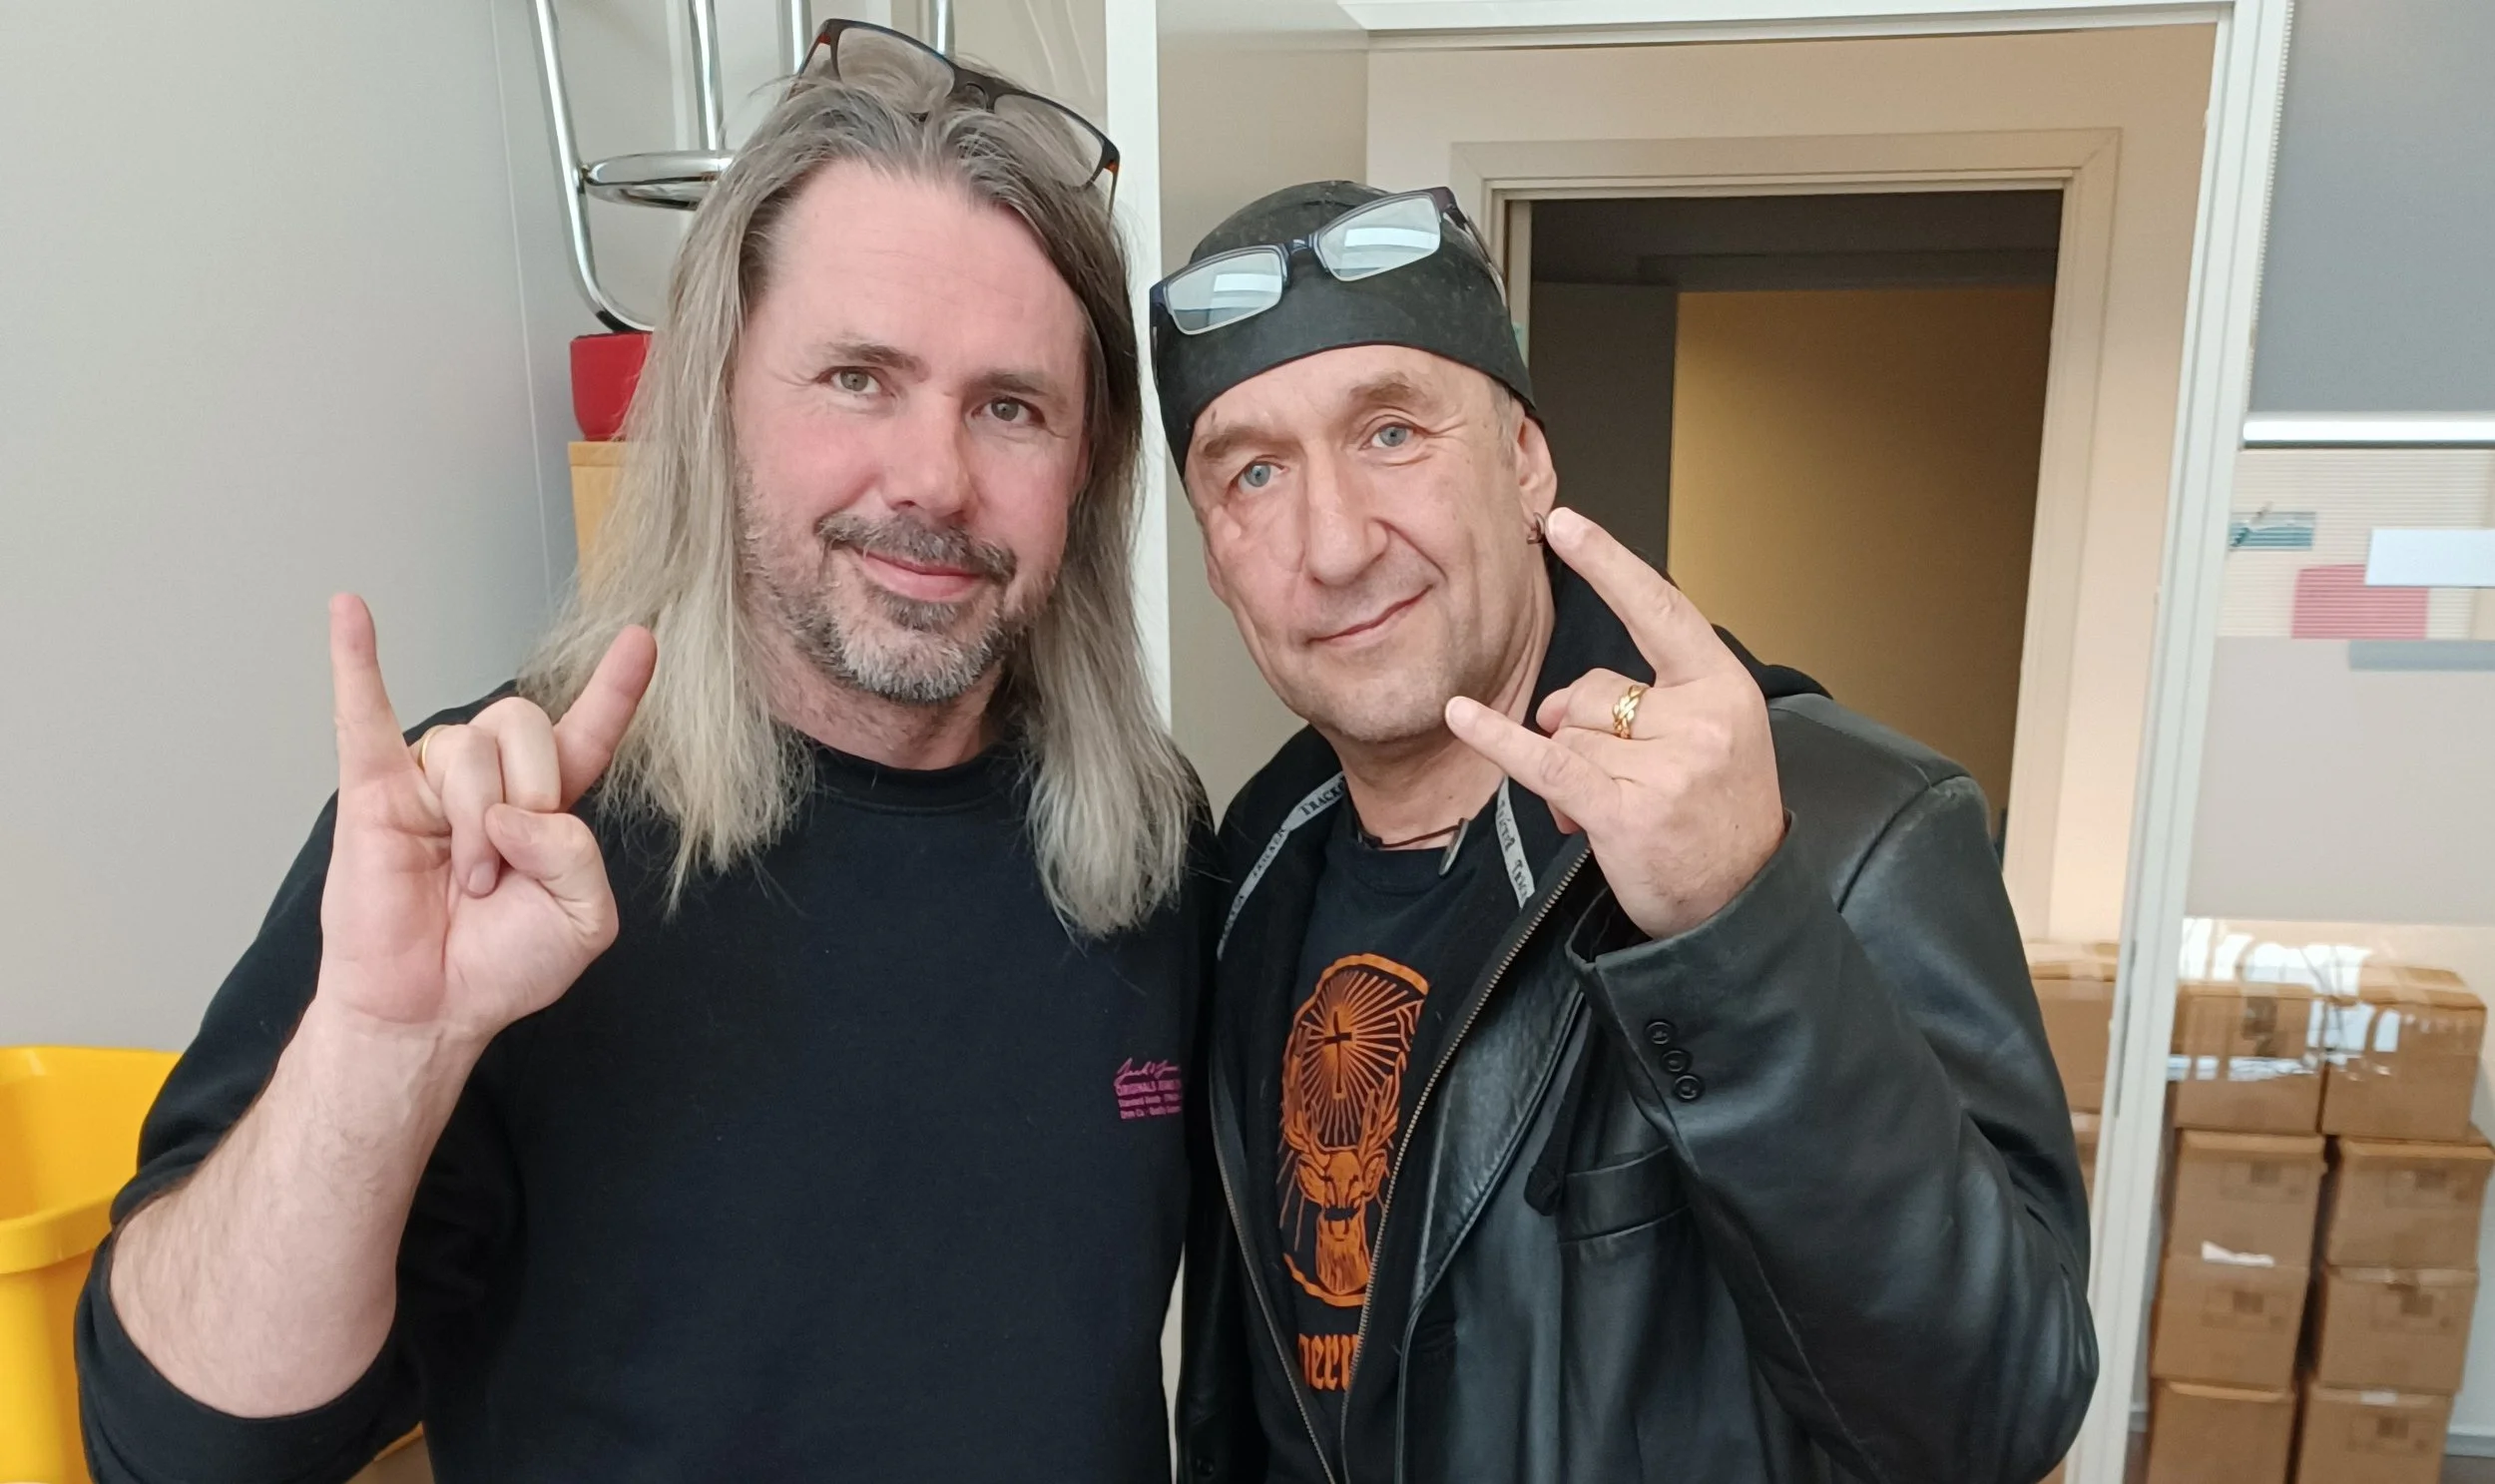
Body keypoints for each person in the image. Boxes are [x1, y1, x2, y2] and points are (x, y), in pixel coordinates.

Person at [77, 28, 1205, 1484]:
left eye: (1010, 407)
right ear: (715, 404)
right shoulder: (502, 836)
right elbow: (175, 1450)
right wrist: (383, 1053)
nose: (935, 478)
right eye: (858, 377)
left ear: (1087, 464)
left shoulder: (1147, 846)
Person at [1157, 181, 2097, 1484]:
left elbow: (1999, 1414)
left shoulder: (1847, 826)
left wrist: (1735, 932)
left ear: (1525, 460)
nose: (1333, 545)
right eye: (1253, 472)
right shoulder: (1247, 863)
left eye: (1392, 432)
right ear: (1214, 554)